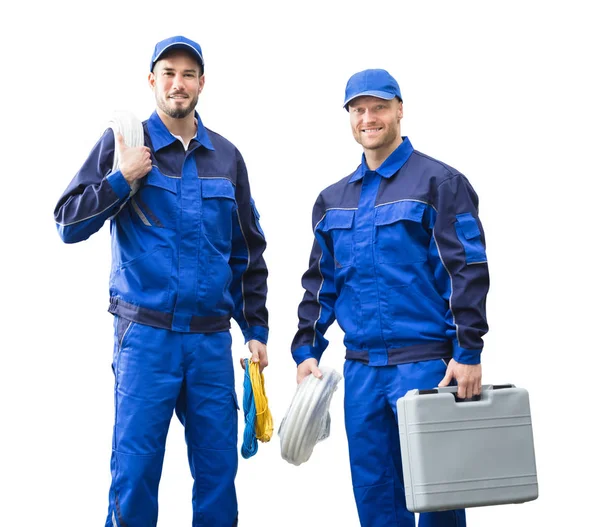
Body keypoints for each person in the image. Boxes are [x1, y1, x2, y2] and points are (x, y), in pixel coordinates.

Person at [54, 35, 268, 527]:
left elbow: (247, 252)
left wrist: (255, 330)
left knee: (218, 477)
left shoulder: (227, 159)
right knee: (135, 475)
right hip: (145, 338)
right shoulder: (125, 143)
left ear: (202, 84)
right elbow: (67, 223)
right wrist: (120, 179)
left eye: (188, 74)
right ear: (152, 80)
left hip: (211, 343)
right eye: (168, 73)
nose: (178, 83)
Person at [291, 69, 489, 527]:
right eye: (358, 109)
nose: (368, 117)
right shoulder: (332, 200)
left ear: (400, 109)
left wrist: (468, 350)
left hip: (425, 367)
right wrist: (306, 349)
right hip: (361, 372)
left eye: (378, 106)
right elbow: (320, 283)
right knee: (376, 498)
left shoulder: (439, 183)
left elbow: (466, 271)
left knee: (438, 498)